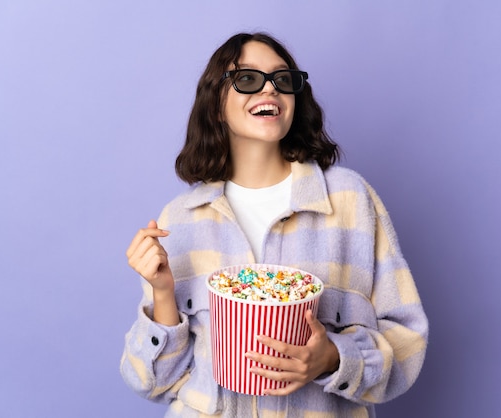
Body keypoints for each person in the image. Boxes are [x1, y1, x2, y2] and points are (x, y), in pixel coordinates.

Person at [120, 32, 428, 417]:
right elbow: (153, 383)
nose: (270, 90)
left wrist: (333, 358)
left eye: (283, 80)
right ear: (216, 104)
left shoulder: (349, 201)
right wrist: (163, 294)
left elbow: (407, 340)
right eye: (248, 79)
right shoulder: (179, 219)